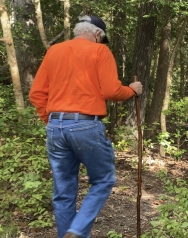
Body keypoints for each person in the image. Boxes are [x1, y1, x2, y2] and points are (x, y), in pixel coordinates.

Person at [29, 15, 142, 238]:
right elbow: (111, 91)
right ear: (97, 34)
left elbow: (36, 93)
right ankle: (77, 230)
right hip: (85, 126)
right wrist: (131, 90)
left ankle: (69, 233)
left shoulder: (54, 51)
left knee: (63, 193)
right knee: (103, 180)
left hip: (55, 127)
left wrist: (52, 122)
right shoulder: (100, 51)